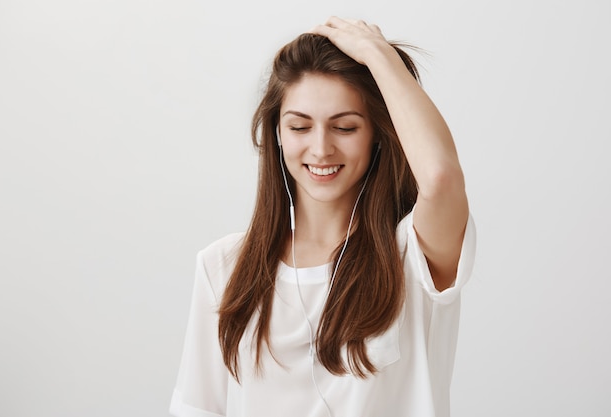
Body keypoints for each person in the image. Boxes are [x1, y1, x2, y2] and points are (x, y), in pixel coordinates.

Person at [170, 17, 475, 417]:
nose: (320, 148)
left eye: (345, 127)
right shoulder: (222, 267)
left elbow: (440, 178)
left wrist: (378, 56)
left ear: (377, 134)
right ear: (278, 133)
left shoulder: (413, 257)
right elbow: (198, 410)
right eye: (299, 126)